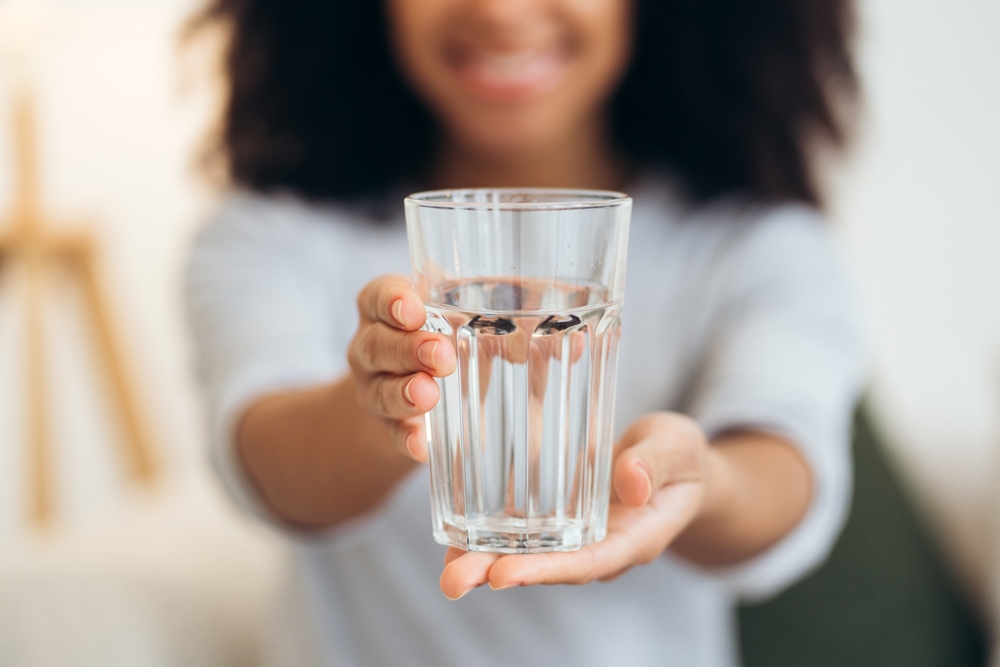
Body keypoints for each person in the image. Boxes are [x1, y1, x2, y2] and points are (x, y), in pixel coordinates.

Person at [185, 0, 868, 664]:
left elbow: (786, 462)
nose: (502, 11)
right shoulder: (272, 233)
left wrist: (700, 478)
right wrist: (384, 406)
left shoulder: (759, 244)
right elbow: (267, 457)